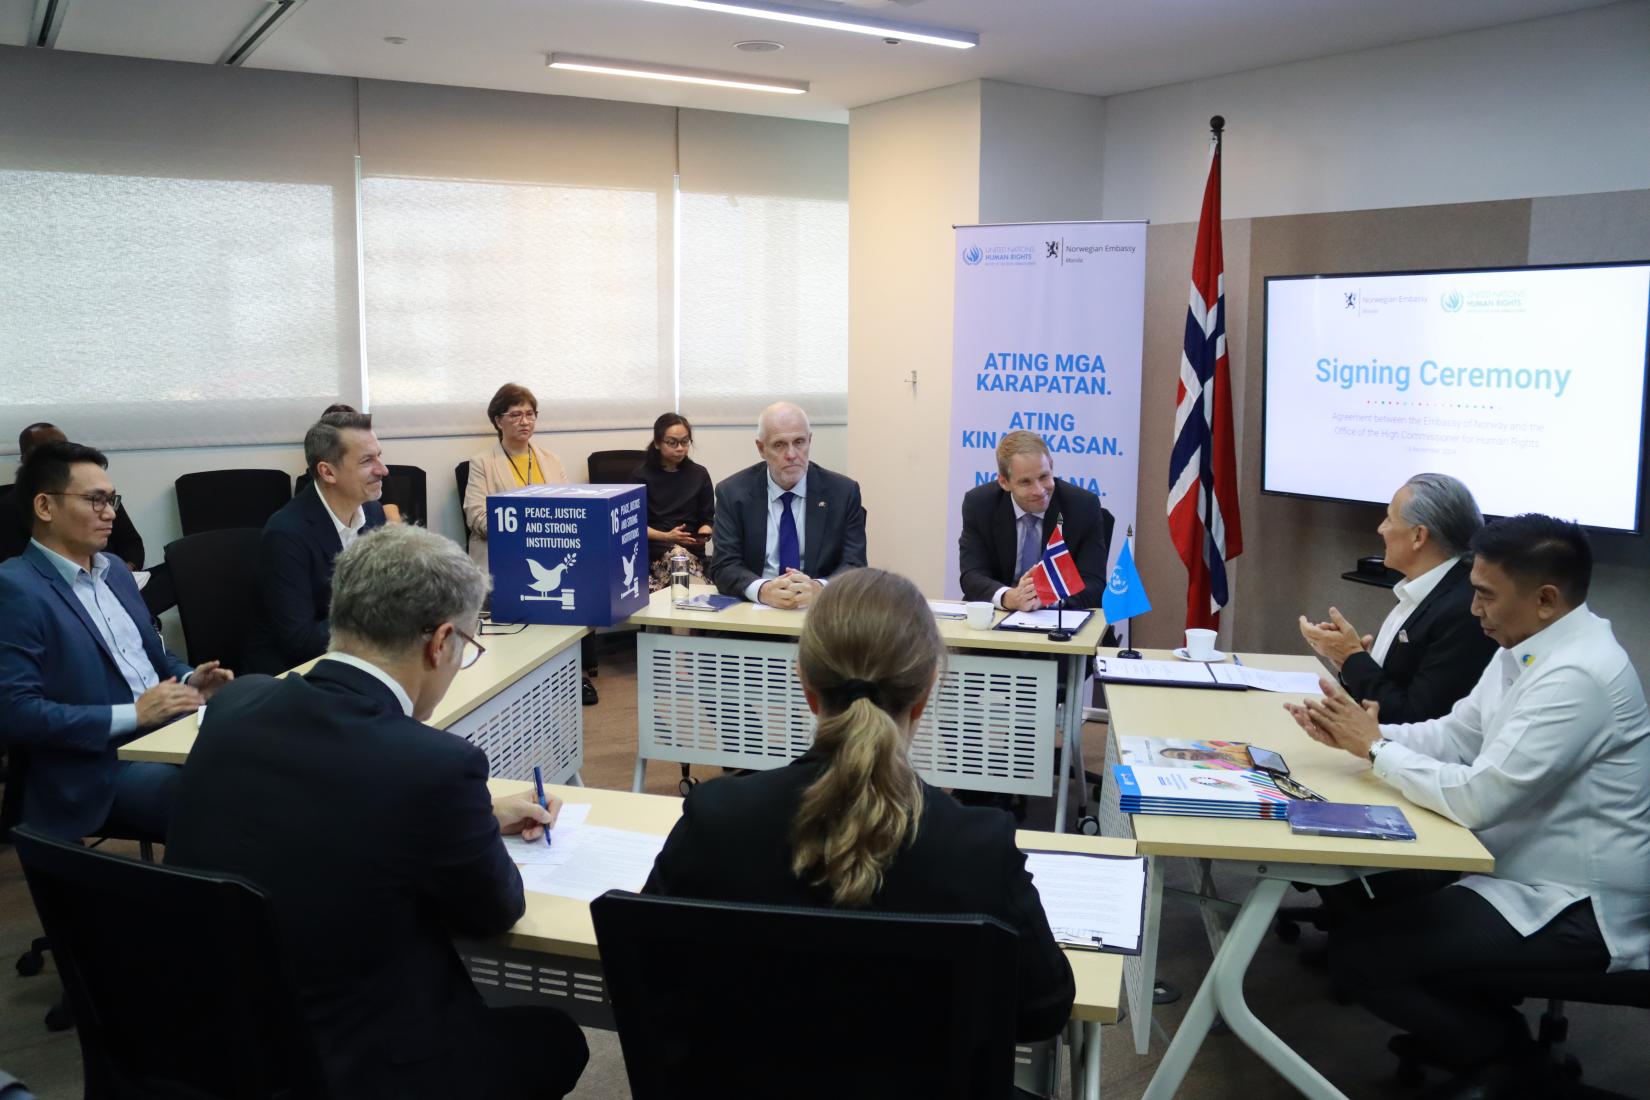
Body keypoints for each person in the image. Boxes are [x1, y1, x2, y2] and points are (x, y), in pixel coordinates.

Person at [166, 525, 589, 1099]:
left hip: (214, 1041)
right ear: (440, 642)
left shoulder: (238, 704)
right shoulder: (434, 764)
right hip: (361, 1064)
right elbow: (494, 910)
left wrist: (479, 817)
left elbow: (330, 812)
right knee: (558, 1039)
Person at [1285, 514, 1650, 1098]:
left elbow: (1479, 798)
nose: (1473, 607)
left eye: (1484, 593)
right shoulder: (1526, 645)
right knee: (1371, 913)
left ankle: (1514, 1066)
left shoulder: (1580, 674)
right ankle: (1493, 1047)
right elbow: (1457, 735)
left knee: (1362, 957)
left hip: (1577, 907)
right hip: (1519, 874)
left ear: (1546, 599)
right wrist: (1361, 734)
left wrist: (1375, 749)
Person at [645, 567, 1075, 1043]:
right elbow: (1043, 1010)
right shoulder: (978, 847)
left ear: (805, 685)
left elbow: (647, 968)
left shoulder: (716, 818)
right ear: (927, 690)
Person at [0, 441, 232, 841]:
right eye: (95, 500)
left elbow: (155, 658)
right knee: (218, 800)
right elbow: (17, 714)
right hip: (97, 768)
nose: (111, 513)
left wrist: (190, 681)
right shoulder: (15, 588)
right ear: (45, 507)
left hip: (167, 734)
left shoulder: (116, 573)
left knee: (268, 760)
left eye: (112, 500)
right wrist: (135, 715)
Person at [1298, 473, 1496, 723]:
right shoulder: (1423, 590)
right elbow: (1391, 689)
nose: (1381, 528)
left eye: (1389, 519)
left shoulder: (1464, 609)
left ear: (1418, 536)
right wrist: (1348, 660)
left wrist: (1352, 657)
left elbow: (1415, 718)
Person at [244, 411, 387, 675]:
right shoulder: (286, 533)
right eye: (368, 460)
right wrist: (378, 614)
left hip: (357, 656)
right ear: (328, 472)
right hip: (294, 674)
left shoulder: (374, 512)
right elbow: (300, 640)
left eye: (379, 456)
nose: (383, 470)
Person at [708, 401, 866, 608]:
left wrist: (820, 589)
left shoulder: (843, 492)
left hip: (819, 612)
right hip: (755, 612)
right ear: (761, 448)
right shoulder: (732, 493)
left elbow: (855, 564)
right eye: (779, 444)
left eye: (799, 442)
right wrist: (763, 590)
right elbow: (724, 566)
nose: (791, 454)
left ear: (810, 441)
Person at [958, 430, 1112, 613]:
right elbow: (972, 575)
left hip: (1060, 620)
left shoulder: (1083, 507)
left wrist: (1046, 598)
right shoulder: (980, 505)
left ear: (1052, 466)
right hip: (1000, 616)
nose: (1039, 491)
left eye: (1044, 477)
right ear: (1004, 482)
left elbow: (1094, 583)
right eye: (1025, 482)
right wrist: (1010, 597)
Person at [1, 423, 144, 569]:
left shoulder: (100, 494)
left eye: (64, 446)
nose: (110, 514)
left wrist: (123, 574)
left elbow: (132, 545)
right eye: (48, 452)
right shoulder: (9, 508)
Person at [463, 383, 567, 573]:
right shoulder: (482, 463)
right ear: (498, 421)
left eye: (530, 414)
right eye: (516, 415)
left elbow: (568, 508)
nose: (525, 421)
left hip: (550, 553)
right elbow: (476, 517)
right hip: (503, 555)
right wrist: (529, 531)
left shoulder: (552, 460)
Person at [631, 412, 713, 590]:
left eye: (685, 442)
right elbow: (634, 525)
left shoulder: (699, 474)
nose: (680, 448)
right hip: (656, 548)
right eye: (672, 442)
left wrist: (703, 534)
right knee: (678, 556)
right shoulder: (641, 476)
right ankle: (701, 594)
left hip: (692, 549)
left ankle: (686, 594)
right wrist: (667, 536)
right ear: (658, 443)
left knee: (681, 557)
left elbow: (707, 518)